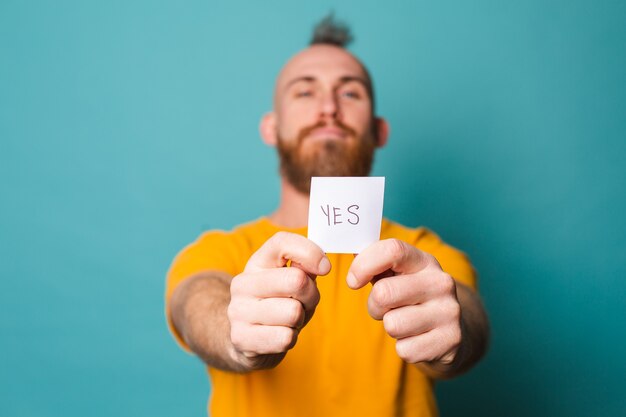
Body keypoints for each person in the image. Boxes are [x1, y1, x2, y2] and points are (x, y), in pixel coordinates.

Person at [165, 15, 489, 417]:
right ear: (271, 127)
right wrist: (234, 334)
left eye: (350, 94)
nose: (329, 109)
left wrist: (450, 334)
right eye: (305, 93)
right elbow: (195, 302)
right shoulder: (219, 251)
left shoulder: (424, 254)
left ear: (379, 130)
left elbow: (469, 318)